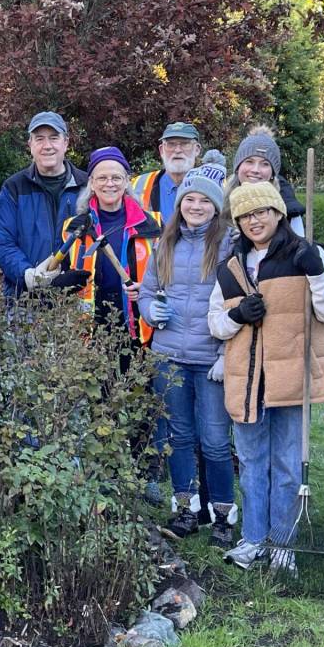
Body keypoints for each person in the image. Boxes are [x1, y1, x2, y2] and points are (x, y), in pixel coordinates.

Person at [209, 182, 324, 569]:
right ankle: (253, 540)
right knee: (252, 463)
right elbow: (215, 323)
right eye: (245, 216)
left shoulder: (307, 254)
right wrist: (236, 316)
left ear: (277, 213)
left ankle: (283, 546)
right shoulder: (230, 267)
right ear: (237, 222)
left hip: (291, 379)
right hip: (248, 379)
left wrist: (316, 273)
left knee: (286, 464)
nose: (254, 221)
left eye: (261, 212)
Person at [140, 157, 236, 546]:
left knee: (214, 440)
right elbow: (147, 292)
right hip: (169, 355)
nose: (195, 207)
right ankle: (186, 510)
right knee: (179, 437)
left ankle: (224, 516)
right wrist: (151, 310)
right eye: (189, 200)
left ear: (216, 207)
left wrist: (227, 354)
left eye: (204, 201)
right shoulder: (167, 242)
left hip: (209, 358)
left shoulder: (228, 243)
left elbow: (238, 301)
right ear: (180, 203)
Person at [56, 146, 161, 344]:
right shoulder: (73, 227)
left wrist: (147, 290)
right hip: (89, 334)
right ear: (92, 184)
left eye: (116, 178)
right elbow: (60, 274)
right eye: (102, 178)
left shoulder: (153, 224)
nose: (109, 184)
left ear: (127, 182)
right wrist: (63, 283)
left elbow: (169, 278)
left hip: (141, 331)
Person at [0, 111, 89, 296]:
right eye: (39, 139)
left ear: (66, 143)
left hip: (79, 297)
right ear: (30, 145)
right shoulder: (14, 187)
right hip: (24, 299)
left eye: (54, 138)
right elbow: (3, 242)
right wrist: (28, 275)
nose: (47, 146)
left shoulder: (87, 186)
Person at [224, 125, 305, 236]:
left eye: (265, 164)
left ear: (272, 173)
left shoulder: (290, 211)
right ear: (238, 167)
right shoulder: (219, 204)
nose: (255, 170)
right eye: (249, 161)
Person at [130, 121, 202, 223]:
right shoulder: (137, 185)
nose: (177, 150)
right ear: (161, 150)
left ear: (197, 150)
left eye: (185, 144)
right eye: (171, 144)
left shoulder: (217, 185)